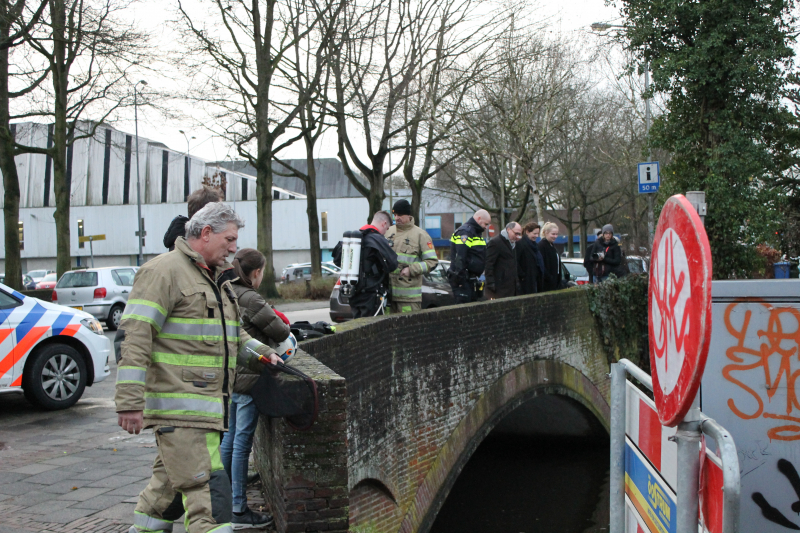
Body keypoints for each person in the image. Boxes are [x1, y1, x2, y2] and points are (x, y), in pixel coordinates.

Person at [116, 202, 281, 533]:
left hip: (203, 410)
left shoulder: (216, 279)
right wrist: (129, 402)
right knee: (208, 492)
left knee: (166, 492)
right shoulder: (163, 272)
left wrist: (263, 354)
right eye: (229, 239)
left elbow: (232, 335)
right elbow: (135, 336)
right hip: (182, 412)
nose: (234, 249)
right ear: (206, 233)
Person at [221, 248, 291, 530]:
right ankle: (238, 508)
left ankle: (224, 498)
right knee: (242, 444)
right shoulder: (251, 298)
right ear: (256, 273)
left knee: (229, 440)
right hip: (250, 377)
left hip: (232, 376)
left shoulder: (227, 292)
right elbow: (281, 331)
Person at [384, 200, 439, 313]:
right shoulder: (388, 232)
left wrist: (411, 269)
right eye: (395, 214)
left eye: (400, 214)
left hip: (409, 298)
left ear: (408, 215)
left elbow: (432, 261)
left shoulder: (421, 235)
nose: (396, 218)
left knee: (407, 325)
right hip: (388, 296)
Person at [349, 211, 399, 318]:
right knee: (371, 325)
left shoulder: (356, 238)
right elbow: (393, 264)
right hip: (371, 293)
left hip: (354, 292)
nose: (386, 232)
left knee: (357, 323)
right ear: (384, 224)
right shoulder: (378, 239)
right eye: (387, 229)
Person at [447, 209, 491, 303]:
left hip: (470, 280)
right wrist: (460, 280)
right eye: (486, 224)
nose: (486, 227)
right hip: (463, 280)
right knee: (464, 308)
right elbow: (460, 257)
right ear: (479, 219)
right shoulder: (465, 232)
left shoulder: (475, 232)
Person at [163, 186, 223, 251]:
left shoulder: (181, 241)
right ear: (207, 214)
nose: (224, 216)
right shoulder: (191, 248)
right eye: (220, 211)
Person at [484, 221, 522, 299]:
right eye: (516, 233)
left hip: (511, 287)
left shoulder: (513, 244)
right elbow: (489, 264)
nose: (517, 237)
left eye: (519, 234)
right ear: (508, 230)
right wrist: (490, 283)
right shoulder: (495, 243)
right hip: (500, 287)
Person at [517, 221, 545, 295]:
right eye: (534, 233)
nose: (536, 236)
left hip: (534, 280)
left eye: (537, 234)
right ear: (527, 232)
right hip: (526, 282)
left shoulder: (535, 246)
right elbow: (516, 262)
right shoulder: (520, 244)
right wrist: (523, 275)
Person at [538, 222, 562, 292]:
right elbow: (541, 265)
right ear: (546, 233)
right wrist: (549, 278)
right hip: (547, 284)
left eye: (556, 234)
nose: (555, 236)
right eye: (553, 234)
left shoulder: (552, 246)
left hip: (554, 282)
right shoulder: (541, 246)